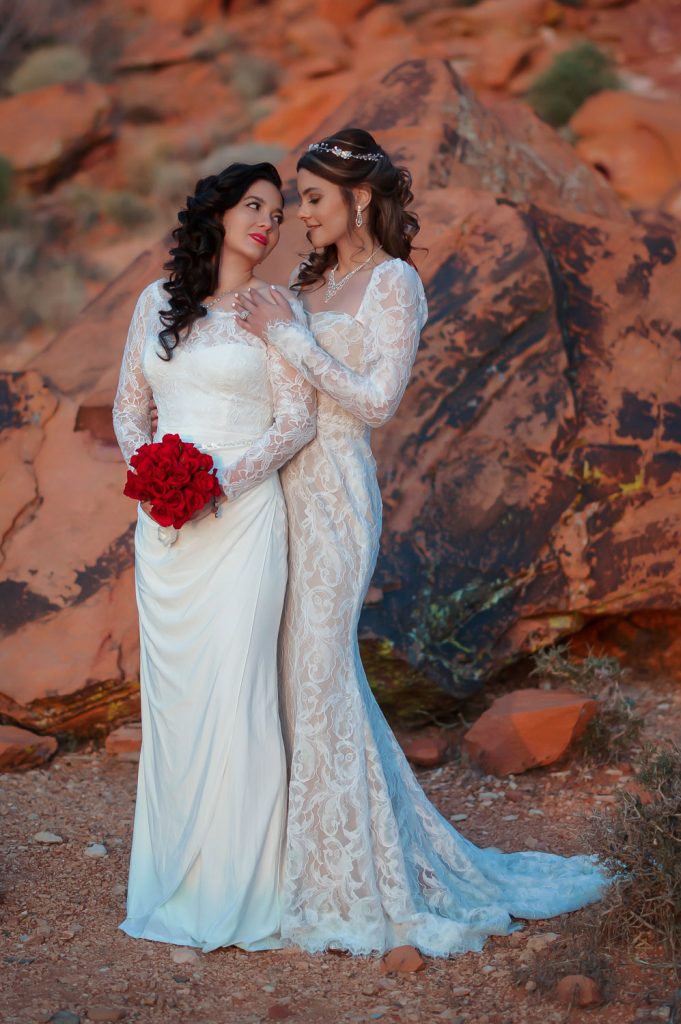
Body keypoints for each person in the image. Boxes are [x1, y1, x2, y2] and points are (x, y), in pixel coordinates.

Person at [233, 129, 609, 958]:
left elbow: (375, 402)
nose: (301, 213)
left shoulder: (393, 282)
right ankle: (294, 861)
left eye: (314, 198)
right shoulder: (313, 279)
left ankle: (348, 879)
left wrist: (288, 336)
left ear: (359, 198)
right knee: (287, 677)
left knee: (319, 670)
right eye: (297, 199)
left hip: (336, 491)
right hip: (277, 493)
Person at [112, 163, 316, 952]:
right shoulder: (153, 304)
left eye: (279, 210)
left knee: (238, 694)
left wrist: (213, 485)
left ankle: (247, 892)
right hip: (163, 529)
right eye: (253, 206)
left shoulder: (275, 307)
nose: (268, 221)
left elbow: (294, 421)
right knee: (177, 705)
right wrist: (155, 479)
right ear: (217, 215)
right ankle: (176, 880)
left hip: (240, 517)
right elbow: (132, 406)